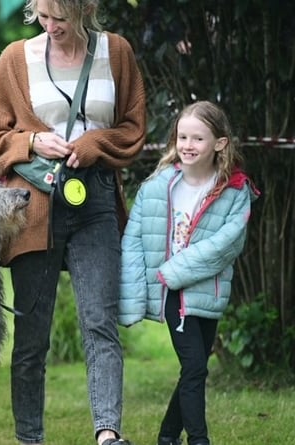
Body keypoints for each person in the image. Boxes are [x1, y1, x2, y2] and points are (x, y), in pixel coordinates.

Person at [0, 0, 146, 444]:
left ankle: (108, 434)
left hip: (96, 200)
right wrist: (30, 141)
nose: (51, 27)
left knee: (100, 324)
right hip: (35, 204)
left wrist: (95, 142)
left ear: (85, 9)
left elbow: (134, 128)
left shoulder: (117, 52)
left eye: (60, 19)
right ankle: (30, 438)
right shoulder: (16, 58)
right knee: (31, 335)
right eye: (43, 17)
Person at [119, 101, 260, 445]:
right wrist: (139, 293)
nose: (187, 145)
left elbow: (226, 244)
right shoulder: (157, 188)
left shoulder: (235, 192)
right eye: (182, 136)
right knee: (196, 367)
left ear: (220, 144)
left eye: (198, 138)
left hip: (208, 290)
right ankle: (199, 440)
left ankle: (168, 436)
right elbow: (133, 242)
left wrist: (176, 269)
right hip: (172, 291)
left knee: (192, 369)